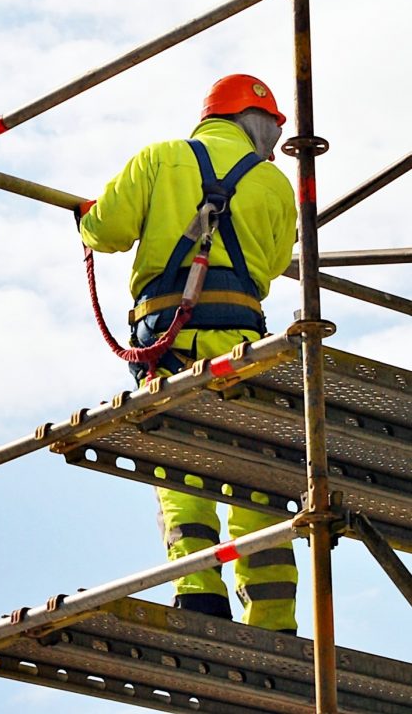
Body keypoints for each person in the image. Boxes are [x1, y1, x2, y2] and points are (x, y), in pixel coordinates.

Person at [79, 74, 299, 633]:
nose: (276, 139)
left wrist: (86, 215)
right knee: (257, 474)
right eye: (274, 127)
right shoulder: (274, 183)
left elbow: (105, 231)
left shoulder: (159, 159)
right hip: (243, 342)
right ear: (257, 122)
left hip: (168, 343)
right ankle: (274, 620)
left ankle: (199, 594)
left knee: (183, 466)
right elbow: (272, 265)